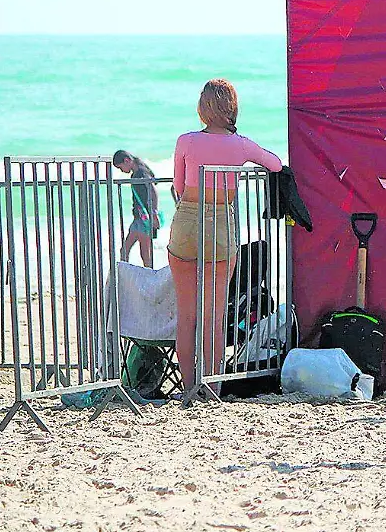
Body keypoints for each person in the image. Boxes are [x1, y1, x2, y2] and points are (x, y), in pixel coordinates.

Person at [168, 79, 282, 398]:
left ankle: (189, 387)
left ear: (203, 108)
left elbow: (178, 185)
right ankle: (212, 387)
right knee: (214, 316)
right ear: (232, 108)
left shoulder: (186, 141)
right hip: (220, 224)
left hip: (187, 221)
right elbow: (274, 164)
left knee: (187, 314)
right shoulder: (241, 145)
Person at [113, 150, 161, 268]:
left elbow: (153, 191)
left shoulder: (141, 173)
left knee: (142, 253)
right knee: (138, 252)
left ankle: (130, 277)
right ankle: (130, 276)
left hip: (144, 219)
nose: (122, 171)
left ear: (127, 160)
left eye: (120, 168)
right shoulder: (138, 172)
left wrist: (154, 213)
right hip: (140, 217)